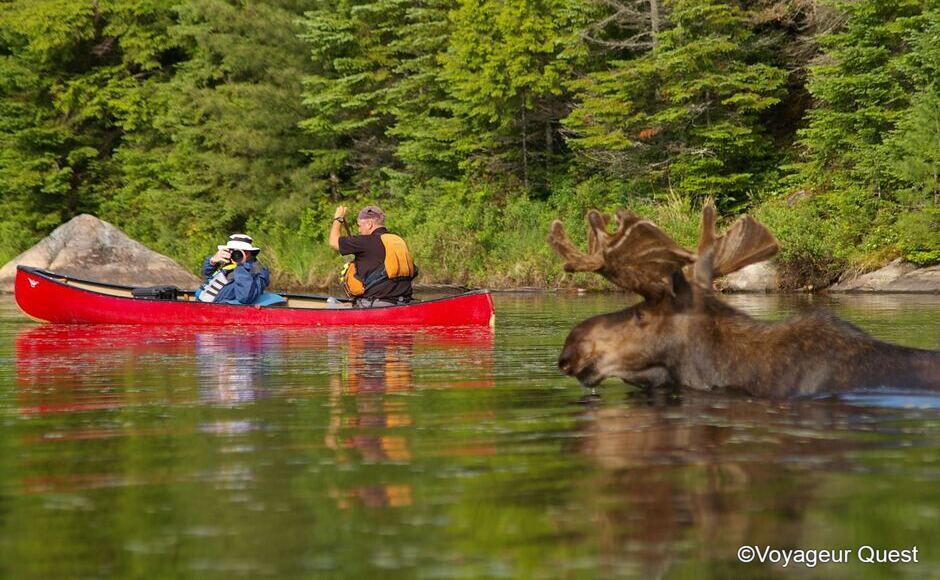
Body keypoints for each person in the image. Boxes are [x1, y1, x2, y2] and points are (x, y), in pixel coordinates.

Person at [329, 205, 417, 307]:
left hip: (377, 305)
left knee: (330, 305)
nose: (359, 230)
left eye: (359, 225)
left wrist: (338, 218)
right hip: (405, 302)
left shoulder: (365, 241)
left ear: (369, 224)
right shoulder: (397, 240)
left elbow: (333, 241)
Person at [197, 234, 270, 304]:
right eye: (231, 250)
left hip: (219, 310)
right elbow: (207, 275)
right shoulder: (227, 262)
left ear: (248, 253)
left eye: (239, 251)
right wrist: (212, 261)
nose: (234, 254)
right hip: (202, 304)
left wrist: (240, 266)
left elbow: (246, 297)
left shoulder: (258, 271)